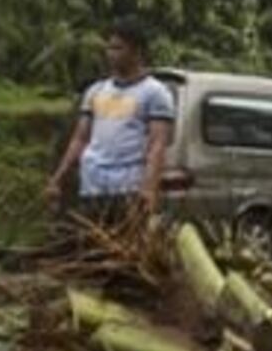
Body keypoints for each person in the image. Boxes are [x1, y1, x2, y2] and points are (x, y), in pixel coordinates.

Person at [45, 17, 176, 227]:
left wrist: (149, 188)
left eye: (118, 48)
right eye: (109, 48)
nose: (111, 54)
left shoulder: (155, 93)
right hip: (93, 186)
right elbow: (79, 139)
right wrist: (58, 178)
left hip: (127, 188)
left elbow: (157, 145)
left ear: (137, 51)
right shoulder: (96, 91)